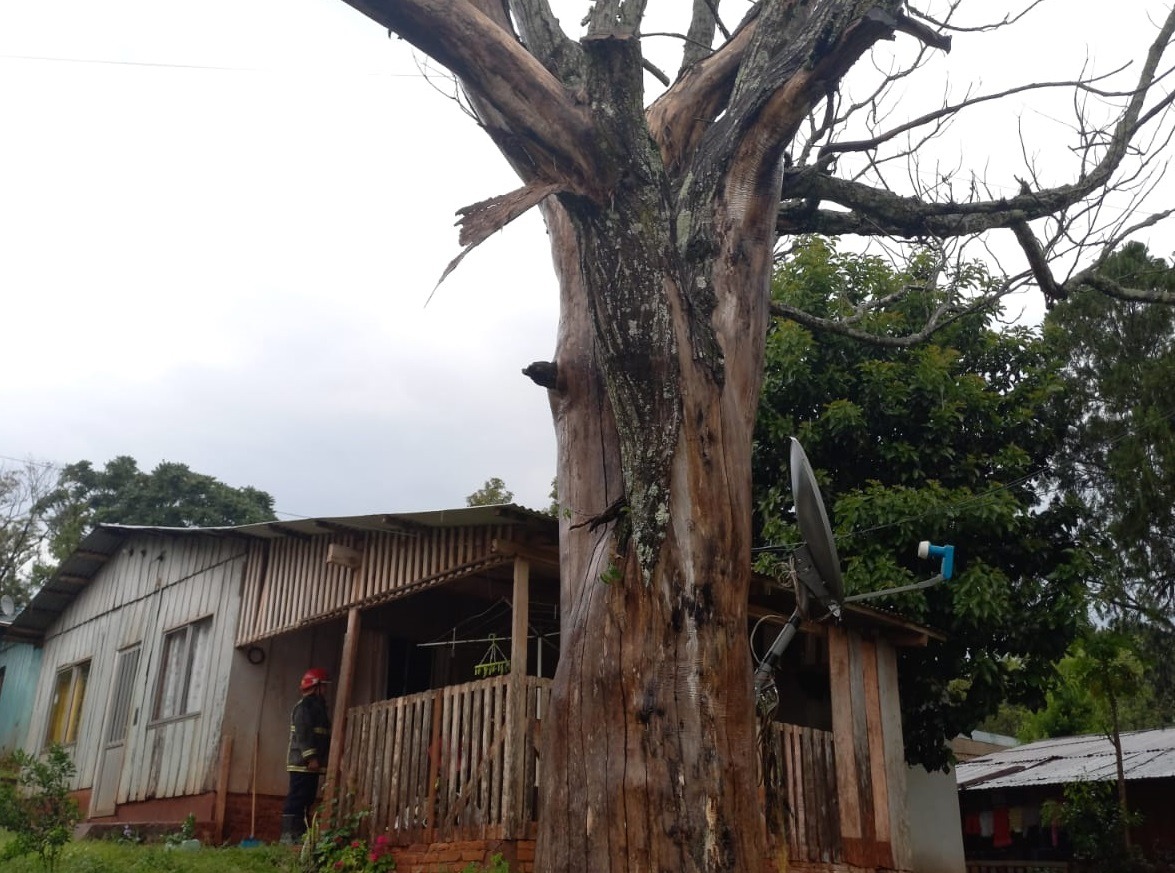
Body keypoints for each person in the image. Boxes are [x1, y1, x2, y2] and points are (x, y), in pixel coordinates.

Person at [280, 667, 332, 844]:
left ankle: (300, 833)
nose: (325, 690)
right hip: (302, 763)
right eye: (323, 686)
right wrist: (311, 757)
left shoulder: (318, 708)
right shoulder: (303, 708)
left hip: (312, 765)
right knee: (297, 797)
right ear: (316, 686)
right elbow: (304, 734)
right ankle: (289, 835)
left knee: (308, 798)